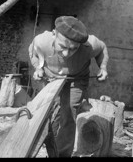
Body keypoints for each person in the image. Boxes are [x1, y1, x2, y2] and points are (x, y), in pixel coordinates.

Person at [28, 16, 109, 157]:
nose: (66, 53)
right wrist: (38, 68)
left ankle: (62, 154)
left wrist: (103, 67)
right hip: (51, 78)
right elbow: (34, 53)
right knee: (51, 111)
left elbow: (102, 48)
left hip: (76, 79)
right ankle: (49, 147)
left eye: (73, 49)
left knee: (69, 113)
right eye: (63, 46)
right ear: (54, 34)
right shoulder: (41, 41)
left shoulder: (90, 44)